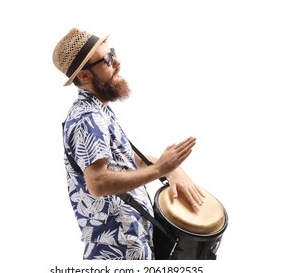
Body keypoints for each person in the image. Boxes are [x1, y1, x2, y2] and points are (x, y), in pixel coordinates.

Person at [52, 27, 205, 260]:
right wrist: (159, 169)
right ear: (84, 76)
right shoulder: (88, 118)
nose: (117, 62)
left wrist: (172, 169)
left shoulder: (100, 111)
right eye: (107, 59)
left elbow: (126, 162)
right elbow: (98, 182)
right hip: (117, 251)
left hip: (131, 243)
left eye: (111, 53)